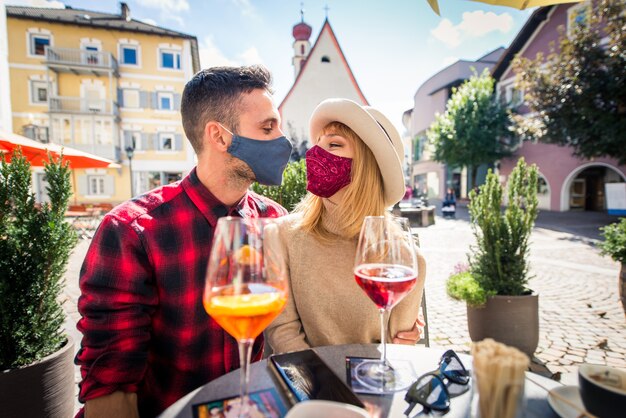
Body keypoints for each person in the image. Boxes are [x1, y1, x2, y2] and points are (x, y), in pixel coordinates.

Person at [75, 65, 292, 418]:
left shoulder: (275, 221)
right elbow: (112, 383)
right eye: (268, 127)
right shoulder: (132, 231)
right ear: (219, 137)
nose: (283, 140)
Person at [266, 99, 426, 354]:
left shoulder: (406, 259)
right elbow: (282, 331)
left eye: (334, 144)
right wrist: (321, 384)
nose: (316, 154)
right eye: (317, 144)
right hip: (309, 384)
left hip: (373, 384)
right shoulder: (281, 235)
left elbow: (396, 351)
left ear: (366, 166)